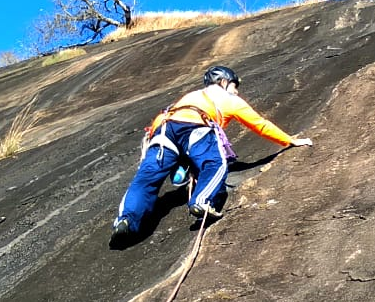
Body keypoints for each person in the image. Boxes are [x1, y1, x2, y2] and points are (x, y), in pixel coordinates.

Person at [109, 65, 312, 248]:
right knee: (216, 163)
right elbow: (259, 124)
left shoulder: (191, 95)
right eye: (234, 86)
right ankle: (202, 200)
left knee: (145, 180)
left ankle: (125, 220)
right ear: (223, 82)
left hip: (162, 130)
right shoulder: (226, 98)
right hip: (195, 125)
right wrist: (289, 140)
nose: (237, 91)